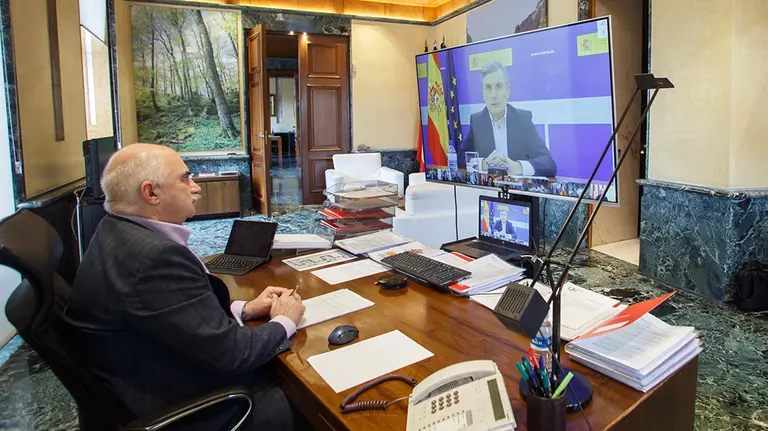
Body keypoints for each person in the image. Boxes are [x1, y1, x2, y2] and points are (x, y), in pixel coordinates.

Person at [65, 144, 306, 431]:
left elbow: (171, 314)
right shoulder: (155, 258)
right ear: (151, 193)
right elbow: (233, 353)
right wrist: (284, 321)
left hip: (152, 377)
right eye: (185, 178)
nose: (195, 187)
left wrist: (245, 309)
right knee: (309, 399)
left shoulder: (115, 231)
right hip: (201, 407)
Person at [458, 61, 557, 177]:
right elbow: (460, 157)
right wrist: (482, 164)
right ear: (483, 94)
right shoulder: (477, 121)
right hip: (489, 186)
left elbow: (548, 163)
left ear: (508, 91)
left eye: (499, 86)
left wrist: (519, 167)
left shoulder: (522, 120)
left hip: (516, 187)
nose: (494, 95)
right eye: (488, 88)